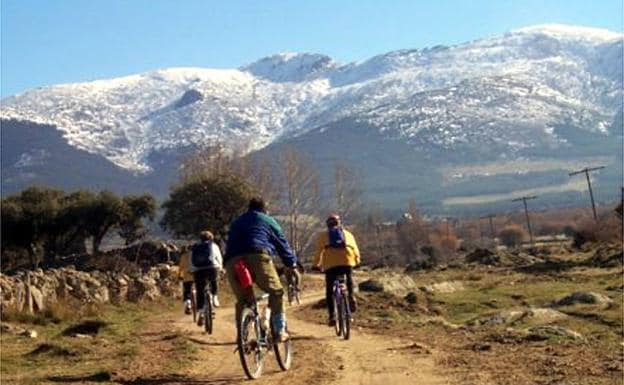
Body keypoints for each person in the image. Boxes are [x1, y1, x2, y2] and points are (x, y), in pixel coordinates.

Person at [224, 197, 297, 342]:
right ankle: (279, 330)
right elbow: (281, 244)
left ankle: (242, 336)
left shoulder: (236, 222)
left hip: (233, 262)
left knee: (244, 300)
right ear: (265, 209)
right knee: (276, 292)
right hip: (257, 257)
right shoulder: (267, 220)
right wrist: (291, 263)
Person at [313, 214, 361, 326]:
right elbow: (355, 249)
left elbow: (318, 252)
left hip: (331, 264)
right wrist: (357, 261)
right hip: (347, 260)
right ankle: (351, 296)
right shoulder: (348, 234)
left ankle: (332, 317)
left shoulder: (323, 236)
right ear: (339, 223)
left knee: (329, 290)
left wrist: (316, 265)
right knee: (348, 278)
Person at [191, 230, 223, 326]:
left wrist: (192, 270)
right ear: (211, 238)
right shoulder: (213, 246)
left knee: (200, 289)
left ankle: (201, 311)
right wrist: (220, 267)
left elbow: (191, 261)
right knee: (214, 281)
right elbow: (219, 258)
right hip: (212, 268)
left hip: (199, 270)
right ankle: (214, 298)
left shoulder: (195, 247)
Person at [177, 245, 194, 314]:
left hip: (187, 276)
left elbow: (181, 267)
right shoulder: (197, 255)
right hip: (197, 275)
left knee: (187, 291)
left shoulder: (184, 256)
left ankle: (188, 305)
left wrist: (179, 275)